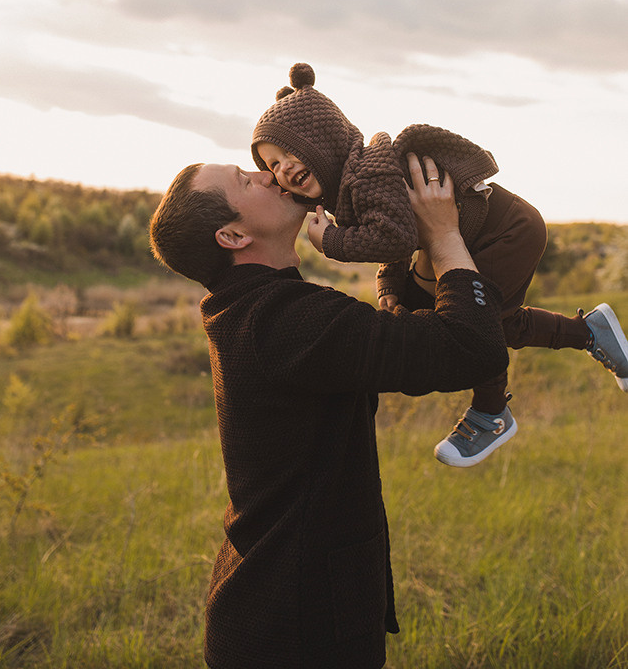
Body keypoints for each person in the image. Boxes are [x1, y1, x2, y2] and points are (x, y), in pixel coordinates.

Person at [150, 153, 509, 669]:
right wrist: (444, 233)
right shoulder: (283, 320)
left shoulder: (256, 310)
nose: (267, 175)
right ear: (232, 236)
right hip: (296, 629)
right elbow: (471, 348)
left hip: (275, 608)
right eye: (244, 181)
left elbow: (384, 348)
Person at [252, 62, 628, 468]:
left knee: (481, 323)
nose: (282, 167)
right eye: (271, 165)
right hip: (478, 236)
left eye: (289, 152)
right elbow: (397, 231)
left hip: (507, 232)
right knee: (477, 318)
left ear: (323, 140)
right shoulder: (354, 183)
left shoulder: (366, 175)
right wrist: (390, 287)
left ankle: (491, 412)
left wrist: (332, 242)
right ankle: (589, 332)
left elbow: (393, 237)